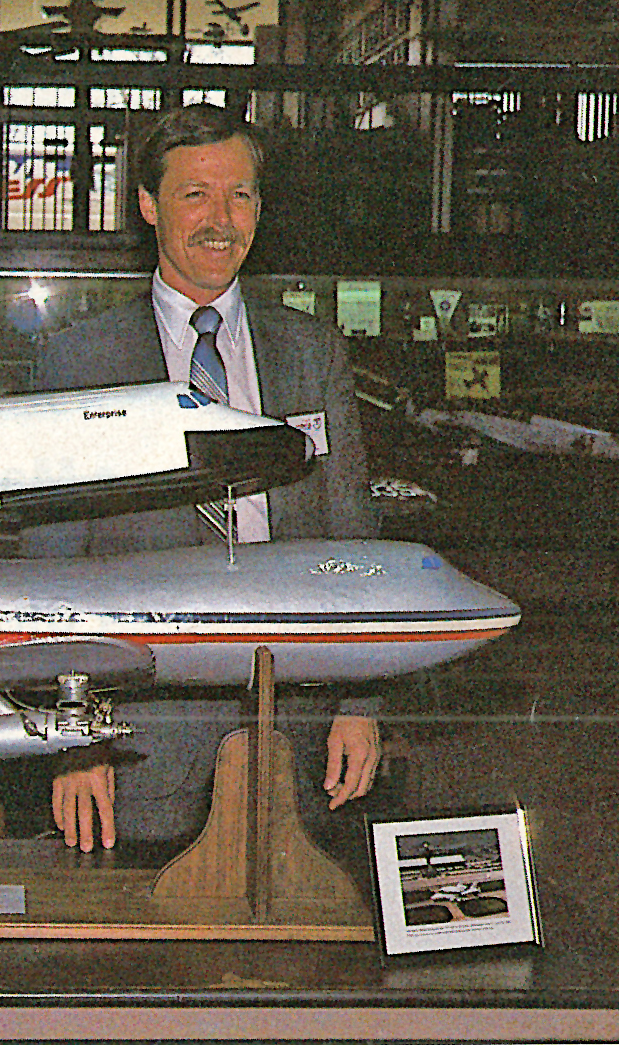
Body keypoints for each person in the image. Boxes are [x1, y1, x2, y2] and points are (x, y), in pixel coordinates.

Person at [22, 103, 382, 853]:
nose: (220, 220)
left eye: (239, 195)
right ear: (148, 206)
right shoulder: (79, 363)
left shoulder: (312, 353)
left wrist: (359, 702)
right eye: (195, 195)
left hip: (299, 744)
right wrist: (74, 742)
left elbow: (353, 542)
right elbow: (52, 574)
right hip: (136, 751)